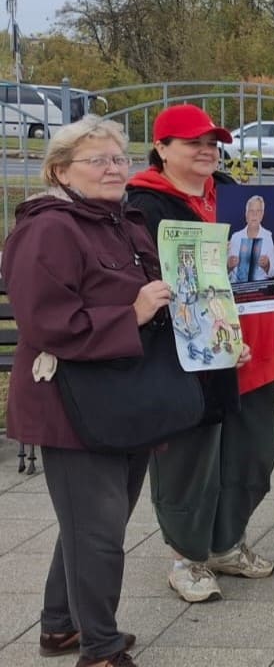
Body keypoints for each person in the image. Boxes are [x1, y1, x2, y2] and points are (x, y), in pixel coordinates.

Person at [126, 104, 274, 604]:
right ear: (162, 149)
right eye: (193, 143)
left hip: (255, 348)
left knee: (254, 452)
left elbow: (273, 255)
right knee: (192, 461)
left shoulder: (232, 194)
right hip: (191, 356)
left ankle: (227, 542)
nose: (207, 151)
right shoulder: (144, 206)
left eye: (212, 143)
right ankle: (188, 556)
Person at [3, 117, 154, 666]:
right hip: (71, 402)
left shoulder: (122, 221)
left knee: (92, 524)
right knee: (98, 533)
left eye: (119, 158)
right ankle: (101, 650)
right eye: (98, 160)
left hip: (124, 398)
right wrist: (131, 314)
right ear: (60, 170)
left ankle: (61, 627)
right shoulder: (49, 229)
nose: (114, 168)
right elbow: (47, 324)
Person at [226, 195, 274, 283]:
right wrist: (229, 266)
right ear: (246, 215)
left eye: (258, 211)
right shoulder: (235, 237)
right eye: (251, 211)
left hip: (260, 288)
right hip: (237, 287)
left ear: (262, 215)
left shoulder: (268, 236)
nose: (254, 214)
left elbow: (273, 273)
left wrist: (267, 265)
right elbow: (224, 271)